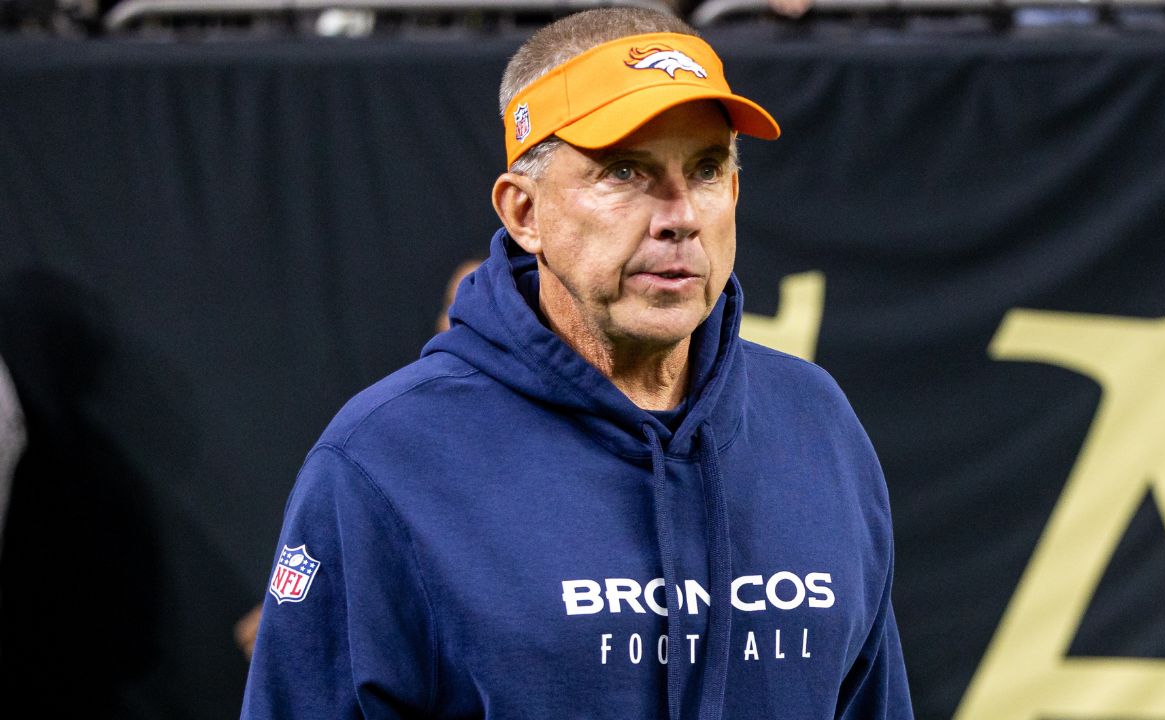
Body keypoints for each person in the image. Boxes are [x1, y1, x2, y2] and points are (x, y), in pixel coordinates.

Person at [240, 7, 912, 718]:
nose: (680, 214)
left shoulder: (815, 420)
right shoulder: (385, 458)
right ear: (524, 212)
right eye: (625, 171)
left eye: (707, 169)